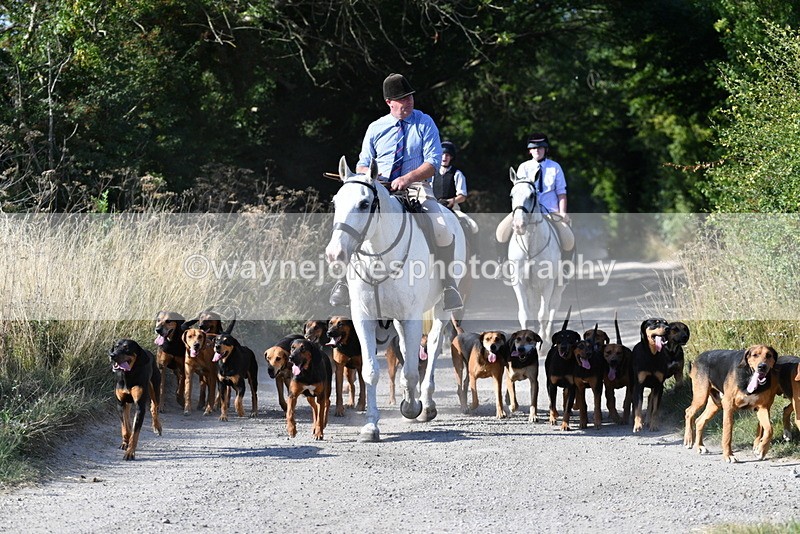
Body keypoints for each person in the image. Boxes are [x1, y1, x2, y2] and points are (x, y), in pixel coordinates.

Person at [329, 73, 464, 311]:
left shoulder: (425, 123)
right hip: (380, 188)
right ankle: (343, 282)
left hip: (417, 187)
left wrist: (407, 178)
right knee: (356, 221)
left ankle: (448, 286)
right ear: (389, 102)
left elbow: (433, 162)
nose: (408, 102)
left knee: (442, 227)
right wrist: (371, 176)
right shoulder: (375, 128)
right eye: (402, 99)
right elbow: (362, 163)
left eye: (410, 96)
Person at [495, 133, 574, 262]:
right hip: (526, 210)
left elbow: (561, 193)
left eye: (540, 147)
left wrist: (563, 212)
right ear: (530, 150)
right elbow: (520, 191)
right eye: (534, 148)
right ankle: (502, 263)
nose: (537, 150)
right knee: (501, 231)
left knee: (569, 238)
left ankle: (565, 267)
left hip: (550, 211)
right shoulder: (523, 167)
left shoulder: (555, 167)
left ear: (545, 149)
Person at [433, 141, 467, 211]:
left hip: (452, 207)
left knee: (465, 218)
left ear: (451, 157)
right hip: (435, 206)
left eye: (447, 155)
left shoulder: (457, 174)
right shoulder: (433, 173)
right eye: (442, 154)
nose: (444, 157)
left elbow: (462, 197)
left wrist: (450, 201)